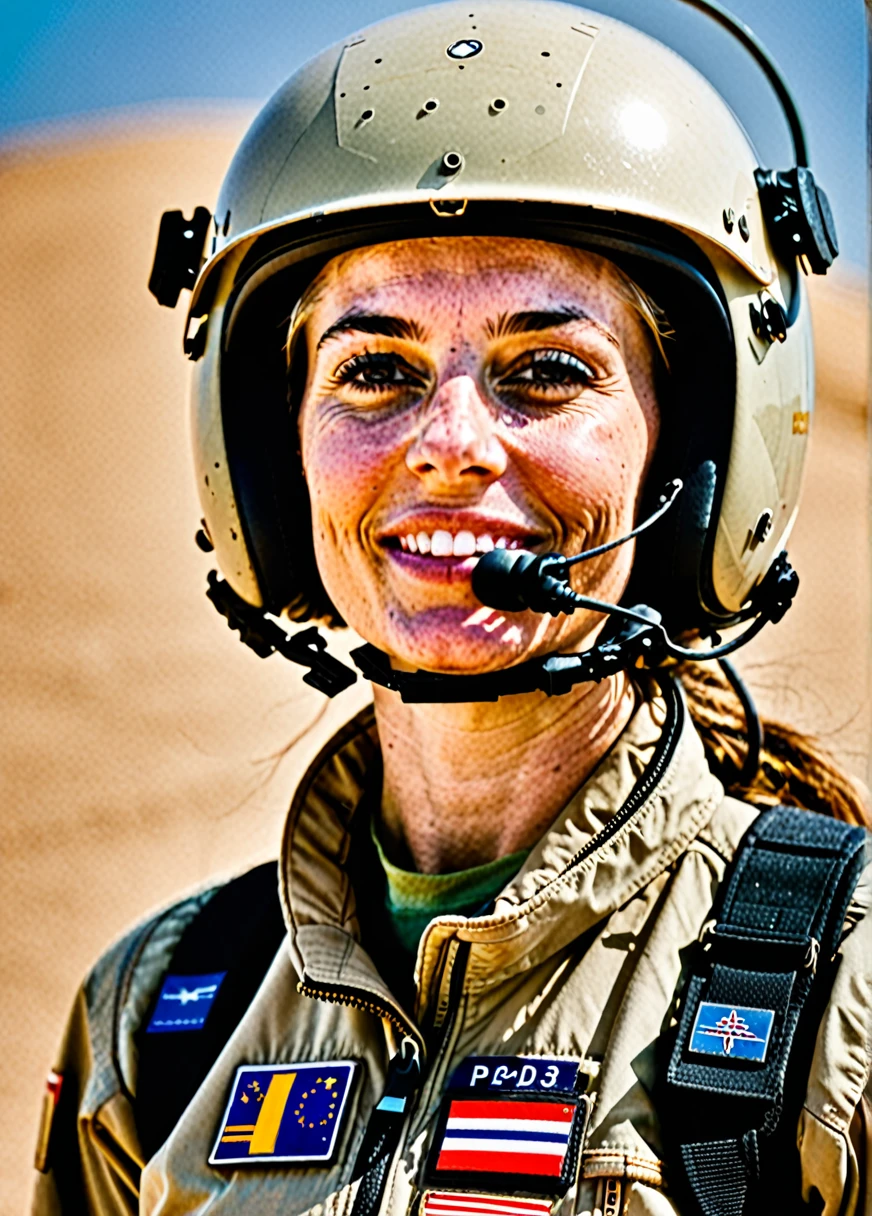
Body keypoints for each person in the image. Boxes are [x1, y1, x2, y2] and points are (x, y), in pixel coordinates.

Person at [32, 2, 870, 1214]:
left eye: (544, 372)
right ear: (268, 463)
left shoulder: (843, 988)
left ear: (692, 459)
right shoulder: (154, 1023)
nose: (449, 445)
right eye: (374, 369)